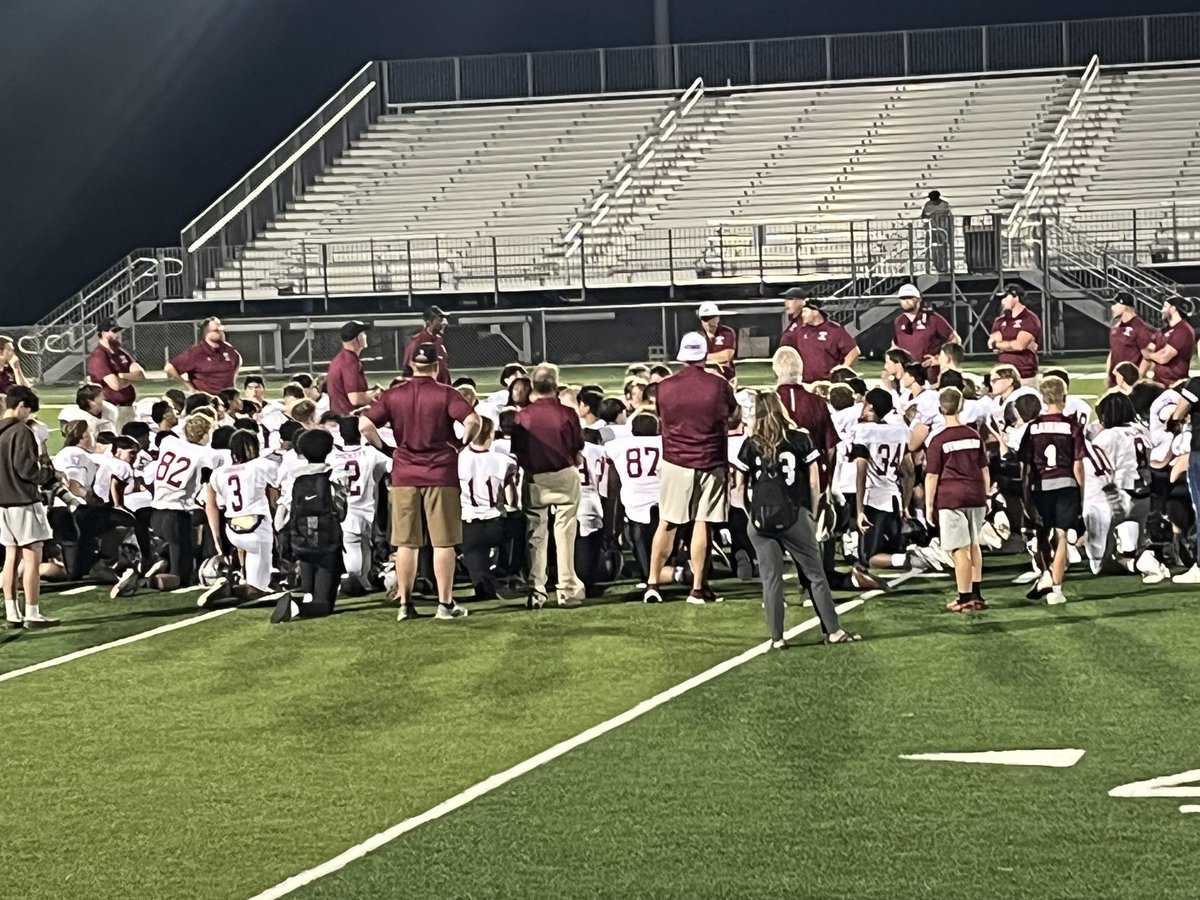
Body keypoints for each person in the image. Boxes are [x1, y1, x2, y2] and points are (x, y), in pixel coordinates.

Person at [360, 343, 479, 621]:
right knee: (443, 543)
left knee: (406, 543)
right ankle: (445, 604)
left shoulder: (394, 394)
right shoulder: (446, 393)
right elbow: (473, 421)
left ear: (412, 365)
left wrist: (387, 450)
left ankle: (405, 604)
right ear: (437, 366)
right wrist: (461, 444)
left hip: (404, 473)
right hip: (440, 472)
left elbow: (364, 425)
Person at [739, 391, 859, 648]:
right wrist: (812, 513)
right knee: (815, 575)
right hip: (794, 515)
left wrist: (751, 514)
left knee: (771, 580)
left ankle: (777, 638)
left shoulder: (750, 444)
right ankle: (833, 631)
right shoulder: (800, 438)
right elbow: (815, 482)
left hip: (759, 519)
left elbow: (739, 489)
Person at [644, 333, 737, 605]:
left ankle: (652, 583)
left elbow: (661, 416)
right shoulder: (718, 385)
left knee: (667, 521)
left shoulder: (665, 387)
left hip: (675, 460)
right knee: (702, 522)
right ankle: (697, 587)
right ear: (704, 354)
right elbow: (732, 414)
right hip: (710, 459)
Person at [511, 363, 586, 609]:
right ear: (555, 385)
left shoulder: (523, 415)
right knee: (565, 533)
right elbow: (577, 447)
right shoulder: (567, 413)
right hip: (564, 474)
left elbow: (518, 451)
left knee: (536, 534)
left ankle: (537, 589)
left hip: (535, 476)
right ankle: (566, 589)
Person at [1019, 376, 1085, 605]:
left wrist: (1025, 494)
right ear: (1064, 396)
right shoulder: (1071, 426)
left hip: (1040, 484)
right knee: (1062, 535)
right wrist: (1082, 492)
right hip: (1066, 483)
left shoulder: (1033, 426)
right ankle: (1056, 588)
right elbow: (1078, 465)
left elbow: (1026, 465)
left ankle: (1047, 573)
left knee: (1042, 533)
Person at [270, 429, 347, 624]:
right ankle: (297, 606)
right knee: (324, 605)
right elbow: (341, 512)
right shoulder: (333, 478)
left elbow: (280, 518)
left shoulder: (294, 480)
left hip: (302, 543)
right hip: (327, 544)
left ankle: (304, 598)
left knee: (310, 591)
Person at [924, 387, 990, 612]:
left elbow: (932, 475)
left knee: (959, 548)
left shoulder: (938, 439)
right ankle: (977, 593)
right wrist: (986, 494)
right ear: (961, 406)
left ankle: (964, 598)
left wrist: (929, 505)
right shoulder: (973, 435)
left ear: (940, 408)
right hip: (976, 493)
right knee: (974, 544)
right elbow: (984, 469)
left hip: (952, 496)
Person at [1, 385, 58, 629]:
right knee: (33, 555)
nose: (29, 416)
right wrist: (46, 472)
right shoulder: (20, 431)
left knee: (10, 557)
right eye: (29, 410)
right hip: (23, 501)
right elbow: (27, 470)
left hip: (2, 503)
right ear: (21, 406)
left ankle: (12, 612)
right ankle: (32, 612)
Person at [205, 430, 282, 603]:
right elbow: (280, 487)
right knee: (258, 590)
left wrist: (217, 540)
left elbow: (211, 505)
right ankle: (230, 590)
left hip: (232, 528)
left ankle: (233, 586)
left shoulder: (218, 473)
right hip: (257, 527)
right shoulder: (262, 465)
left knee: (255, 581)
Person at [458, 417, 517, 600]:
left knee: (477, 567)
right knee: (520, 523)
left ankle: (486, 582)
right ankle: (507, 573)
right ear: (491, 435)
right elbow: (512, 498)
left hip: (468, 525)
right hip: (496, 523)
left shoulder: (458, 459)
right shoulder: (504, 461)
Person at [331, 417, 391, 595]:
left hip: (346, 508)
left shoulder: (333, 456)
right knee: (365, 544)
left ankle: (354, 581)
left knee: (351, 545)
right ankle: (364, 581)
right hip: (368, 507)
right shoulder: (371, 453)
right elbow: (392, 466)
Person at [779, 291, 860, 383]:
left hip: (828, 383)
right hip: (805, 384)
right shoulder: (800, 330)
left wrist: (844, 367)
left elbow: (854, 351)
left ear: (815, 311)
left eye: (805, 311)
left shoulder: (834, 330)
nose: (802, 315)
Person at [891, 284, 958, 382]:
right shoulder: (898, 321)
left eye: (910, 297)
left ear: (919, 299)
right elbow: (895, 344)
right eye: (903, 298)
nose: (906, 301)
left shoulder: (933, 318)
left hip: (930, 375)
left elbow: (954, 339)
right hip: (906, 376)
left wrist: (940, 359)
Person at [86, 321, 145, 429]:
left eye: (118, 331)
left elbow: (140, 374)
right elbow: (116, 385)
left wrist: (122, 376)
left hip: (126, 407)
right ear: (103, 333)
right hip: (111, 409)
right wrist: (130, 377)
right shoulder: (99, 356)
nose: (118, 334)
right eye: (114, 331)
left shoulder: (120, 352)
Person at [165, 317, 241, 394]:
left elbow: (237, 362)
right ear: (206, 333)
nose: (221, 333)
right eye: (216, 331)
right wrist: (188, 385)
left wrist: (233, 382)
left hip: (228, 397)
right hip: (207, 398)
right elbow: (169, 368)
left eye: (221, 331)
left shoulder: (228, 349)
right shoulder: (196, 352)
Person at [988, 284, 1042, 379]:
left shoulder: (1029, 318)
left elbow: (1019, 346)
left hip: (1025, 373)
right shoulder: (1000, 320)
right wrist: (1005, 344)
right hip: (1004, 373)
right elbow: (991, 344)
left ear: (1016, 297)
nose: (1003, 301)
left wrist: (1000, 344)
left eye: (1006, 297)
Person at [1143, 294, 1195, 388]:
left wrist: (1150, 355)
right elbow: (1148, 350)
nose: (1161, 310)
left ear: (1173, 309)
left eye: (1165, 307)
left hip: (1174, 385)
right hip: (1158, 383)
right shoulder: (1162, 331)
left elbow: (1163, 358)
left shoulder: (1183, 330)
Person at [326, 320, 378, 415]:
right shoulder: (349, 362)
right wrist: (376, 395)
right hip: (349, 418)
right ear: (357, 338)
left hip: (340, 416)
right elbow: (355, 399)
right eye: (363, 333)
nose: (365, 336)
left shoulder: (343, 358)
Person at [1106, 291, 1154, 386]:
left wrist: (1138, 378)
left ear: (1123, 306)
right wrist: (1108, 375)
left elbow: (1147, 357)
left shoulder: (1139, 328)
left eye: (1115, 304)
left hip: (1130, 381)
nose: (1112, 307)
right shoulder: (1116, 327)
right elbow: (1112, 353)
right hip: (1115, 380)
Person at [403, 306, 451, 384]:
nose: (444, 323)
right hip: (425, 388)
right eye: (440, 319)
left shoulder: (439, 339)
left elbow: (444, 368)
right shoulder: (416, 341)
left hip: (442, 387)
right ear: (429, 322)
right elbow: (408, 369)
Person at [697, 301, 737, 380]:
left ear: (718, 318)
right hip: (703, 378)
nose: (708, 322)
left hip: (725, 377)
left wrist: (702, 357)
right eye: (705, 319)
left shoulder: (727, 332)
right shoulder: (696, 336)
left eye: (711, 318)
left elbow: (726, 355)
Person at [920, 190, 953, 272]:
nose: (933, 202)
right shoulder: (928, 205)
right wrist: (930, 216)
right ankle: (936, 265)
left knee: (943, 247)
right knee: (933, 248)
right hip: (932, 230)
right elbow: (923, 216)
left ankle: (944, 266)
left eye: (934, 200)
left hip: (943, 229)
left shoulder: (944, 205)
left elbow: (948, 216)